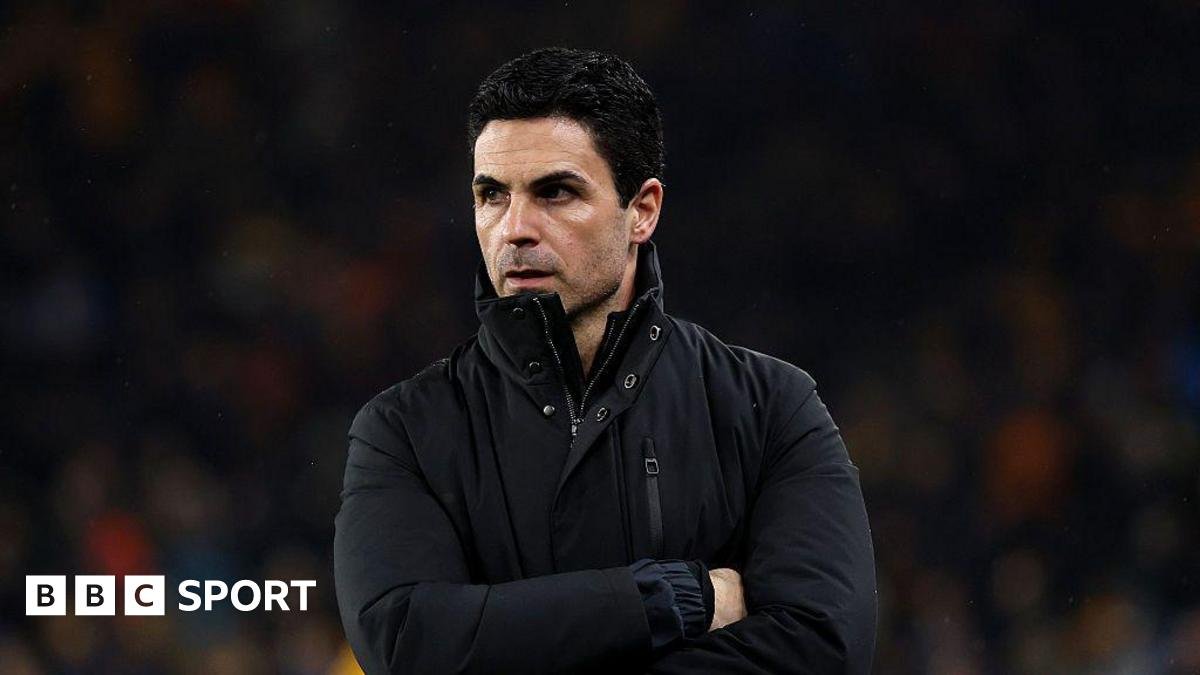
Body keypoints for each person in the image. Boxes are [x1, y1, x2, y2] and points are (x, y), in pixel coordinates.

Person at [333, 46, 877, 674]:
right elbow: (407, 645)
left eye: (556, 192)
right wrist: (673, 598)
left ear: (642, 211)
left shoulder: (770, 406)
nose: (515, 228)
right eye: (492, 195)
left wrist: (515, 645)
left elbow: (823, 649)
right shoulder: (403, 429)